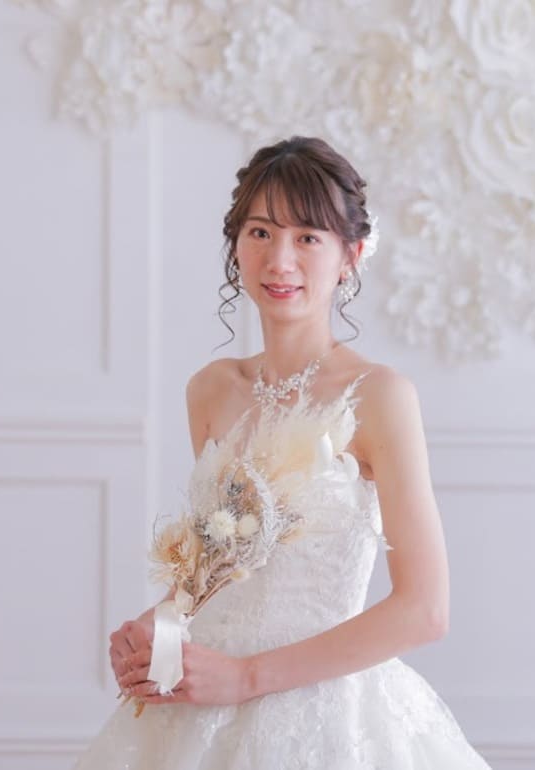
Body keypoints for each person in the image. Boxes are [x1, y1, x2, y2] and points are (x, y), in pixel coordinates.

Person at [74, 136, 490, 769]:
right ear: (236, 244)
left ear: (350, 256)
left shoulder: (379, 397)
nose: (280, 260)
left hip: (323, 713)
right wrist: (156, 627)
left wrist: (245, 678)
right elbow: (224, 570)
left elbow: (425, 611)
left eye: (308, 238)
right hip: (203, 701)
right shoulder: (211, 390)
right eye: (261, 232)